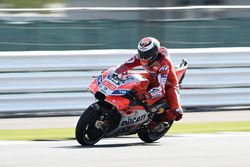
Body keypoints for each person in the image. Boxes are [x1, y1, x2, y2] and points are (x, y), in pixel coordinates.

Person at [114, 37, 183, 122]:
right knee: (129, 77)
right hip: (151, 77)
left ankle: (156, 122)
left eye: (146, 54)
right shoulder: (139, 57)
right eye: (141, 53)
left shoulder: (163, 63)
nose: (143, 57)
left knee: (177, 113)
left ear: (155, 52)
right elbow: (126, 65)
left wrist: (147, 95)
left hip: (168, 84)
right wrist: (115, 73)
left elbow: (161, 88)